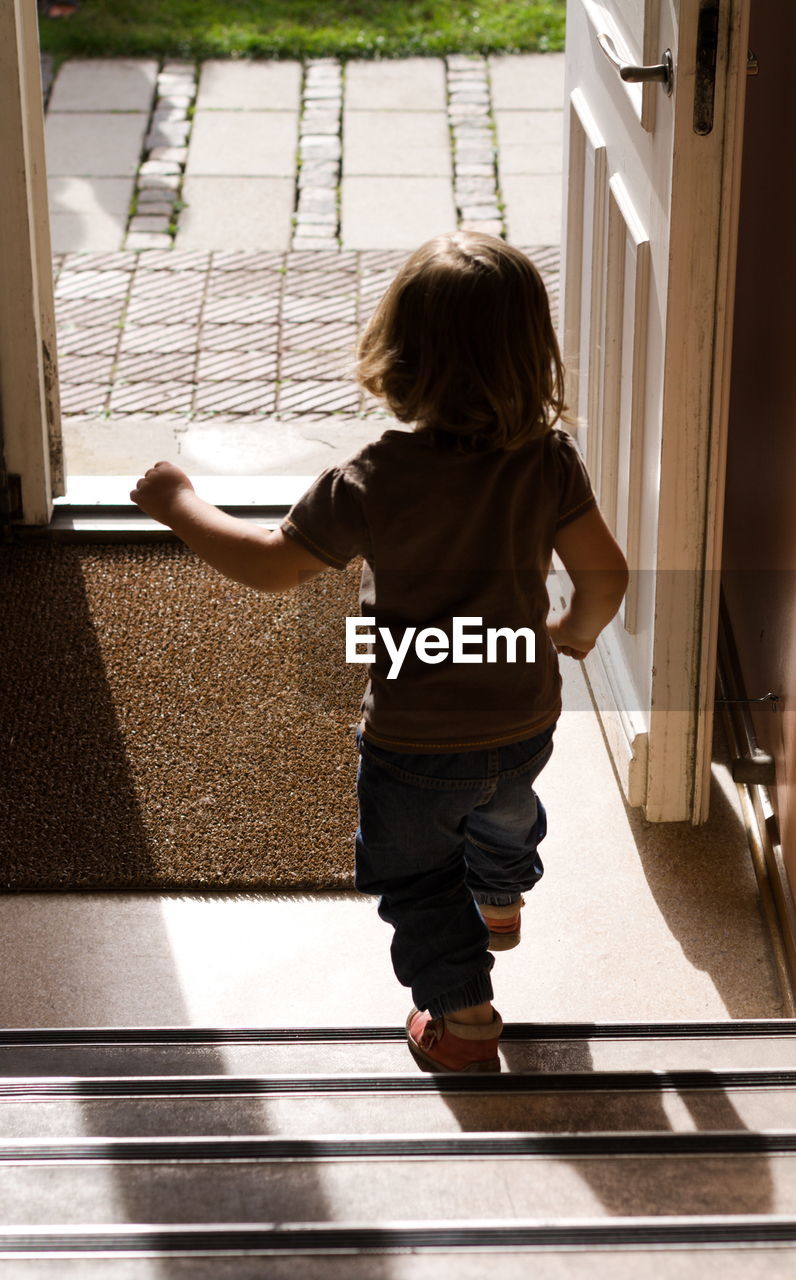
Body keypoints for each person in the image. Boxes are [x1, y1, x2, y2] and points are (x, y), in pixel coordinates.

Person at [130, 231, 629, 1073]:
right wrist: (575, 633)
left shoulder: (373, 476)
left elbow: (271, 566)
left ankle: (465, 1018)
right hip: (523, 713)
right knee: (504, 803)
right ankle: (502, 898)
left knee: (418, 874)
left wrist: (180, 504)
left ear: (398, 354)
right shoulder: (548, 463)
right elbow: (606, 576)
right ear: (530, 353)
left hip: (414, 742)